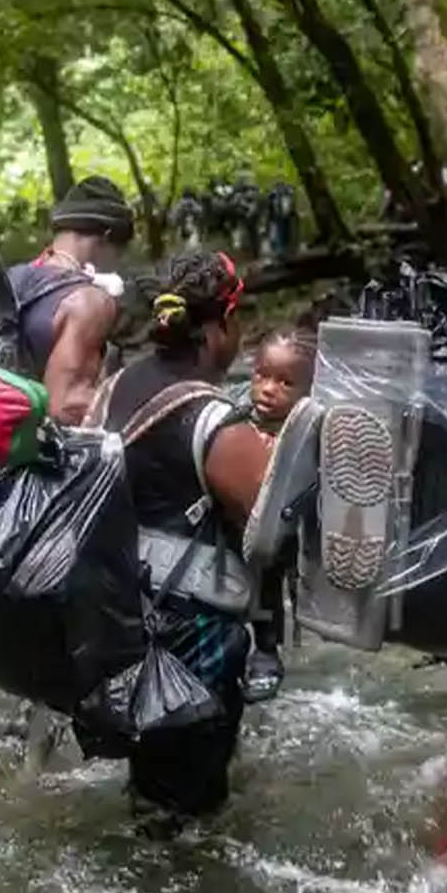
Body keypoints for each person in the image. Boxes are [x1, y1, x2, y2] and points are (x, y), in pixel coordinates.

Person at [96, 251, 274, 821]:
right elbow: (270, 530)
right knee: (192, 814)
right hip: (192, 639)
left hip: (119, 623)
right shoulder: (211, 418)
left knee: (153, 790)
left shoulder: (113, 388)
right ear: (220, 324)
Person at [7, 176, 133, 425]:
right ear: (106, 237)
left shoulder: (12, 276)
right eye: (119, 252)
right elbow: (65, 407)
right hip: (34, 452)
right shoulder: (88, 303)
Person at [242, 323, 318, 704]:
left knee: (277, 582)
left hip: (290, 525)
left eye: (285, 383)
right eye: (262, 375)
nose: (268, 389)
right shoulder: (236, 421)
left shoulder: (308, 428)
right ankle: (259, 650)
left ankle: (272, 650)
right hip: (249, 528)